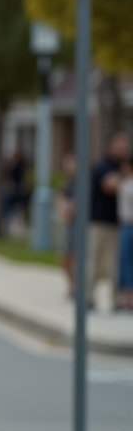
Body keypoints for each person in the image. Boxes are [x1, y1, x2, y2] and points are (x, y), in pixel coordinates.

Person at [83, 131, 127, 310]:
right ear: (111, 146)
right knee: (94, 260)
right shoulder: (103, 165)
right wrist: (125, 178)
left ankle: (115, 299)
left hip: (116, 222)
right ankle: (88, 296)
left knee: (114, 264)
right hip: (99, 222)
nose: (124, 149)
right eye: (121, 145)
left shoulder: (122, 166)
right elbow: (110, 186)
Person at [59, 152, 77, 298]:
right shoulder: (66, 183)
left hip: (79, 225)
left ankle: (78, 286)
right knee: (65, 255)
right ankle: (71, 286)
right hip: (68, 224)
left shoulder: (84, 183)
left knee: (78, 257)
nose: (69, 167)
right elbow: (59, 197)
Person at [117, 159, 133, 312]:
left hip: (128, 225)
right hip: (125, 225)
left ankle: (128, 297)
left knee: (126, 262)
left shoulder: (127, 185)